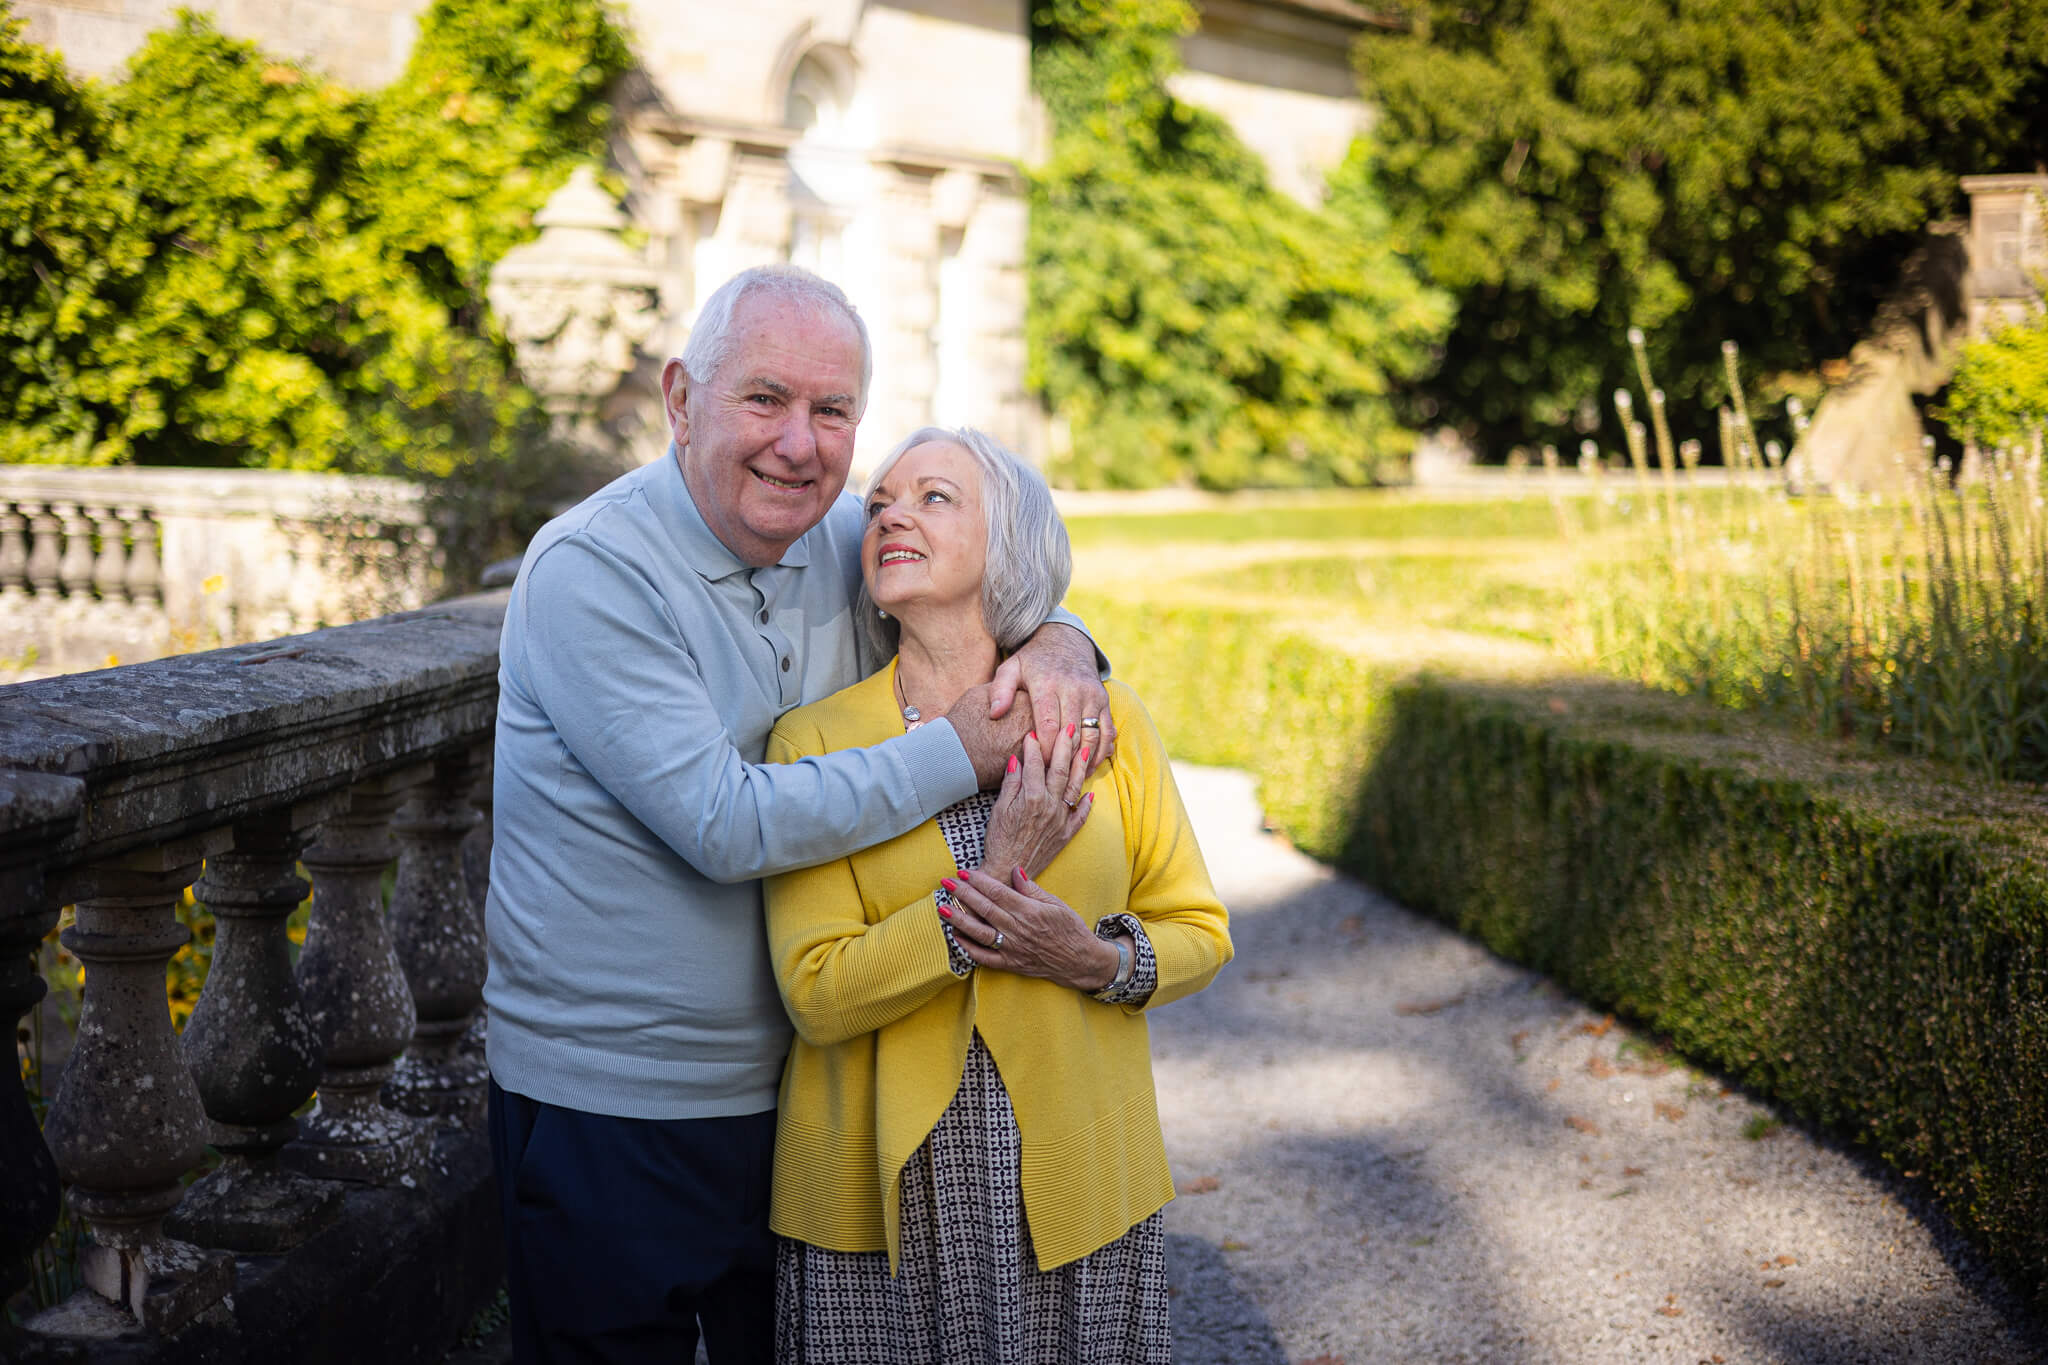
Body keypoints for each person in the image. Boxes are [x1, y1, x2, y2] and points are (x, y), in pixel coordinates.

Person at [483, 266, 1113, 1365]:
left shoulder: (839, 545)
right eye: (763, 399)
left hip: (807, 1092)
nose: (798, 444)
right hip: (614, 1104)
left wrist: (1062, 640)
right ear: (682, 400)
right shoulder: (592, 570)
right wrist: (957, 749)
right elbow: (724, 823)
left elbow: (987, 576)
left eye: (832, 412)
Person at [762, 426, 1233, 1365]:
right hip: (879, 1201)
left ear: (1008, 542)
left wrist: (1095, 959)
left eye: (934, 496)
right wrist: (989, 883)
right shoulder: (811, 741)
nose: (891, 510)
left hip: (1079, 1182)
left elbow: (1199, 930)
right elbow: (816, 992)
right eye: (883, 499)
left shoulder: (1104, 715)